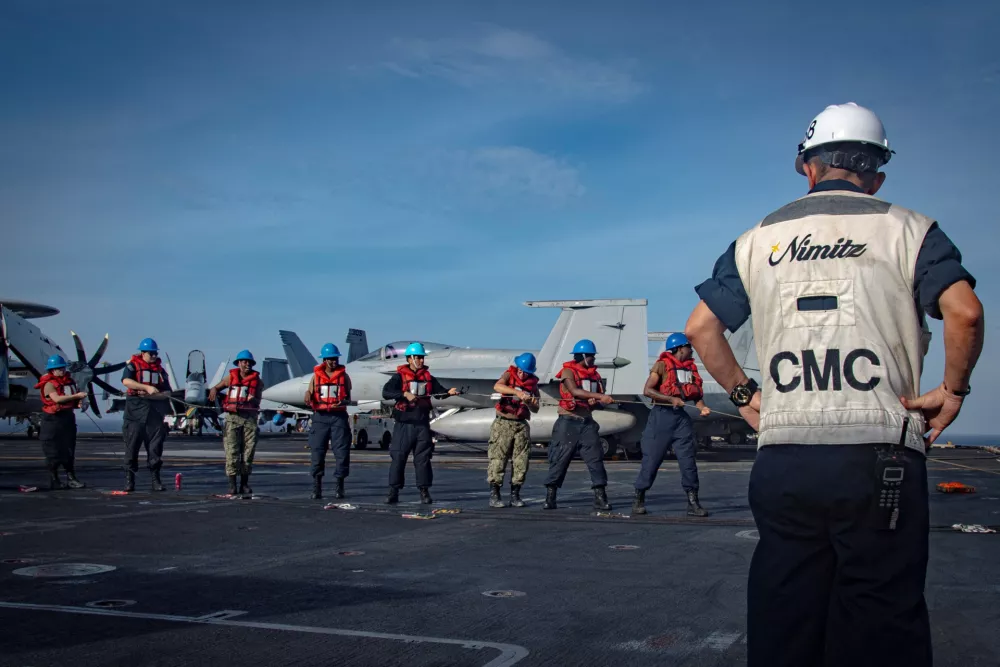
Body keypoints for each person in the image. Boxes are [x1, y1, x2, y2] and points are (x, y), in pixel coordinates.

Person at [684, 102, 983, 667]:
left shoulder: (754, 240)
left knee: (784, 611)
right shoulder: (912, 230)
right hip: (878, 456)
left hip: (785, 456)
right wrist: (954, 390)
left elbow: (701, 328)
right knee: (880, 615)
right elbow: (964, 312)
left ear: (806, 167)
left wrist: (748, 399)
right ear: (877, 175)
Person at [632, 333, 712, 517]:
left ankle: (693, 502)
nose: (692, 350)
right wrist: (670, 399)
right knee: (652, 460)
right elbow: (648, 390)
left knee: (688, 461)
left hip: (680, 420)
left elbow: (696, 396)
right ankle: (639, 498)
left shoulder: (690, 369)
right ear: (679, 348)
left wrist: (702, 407)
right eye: (689, 347)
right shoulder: (661, 366)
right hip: (661, 417)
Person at [381, 342, 460, 504]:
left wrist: (448, 393)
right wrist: (404, 394)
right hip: (404, 425)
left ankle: (424, 491)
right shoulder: (399, 377)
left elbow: (438, 393)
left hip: (422, 424)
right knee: (398, 458)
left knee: (423, 459)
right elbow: (386, 392)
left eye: (422, 357)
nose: (421, 360)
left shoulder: (428, 377)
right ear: (409, 359)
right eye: (418, 357)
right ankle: (393, 491)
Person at [542, 339, 615, 511]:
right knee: (559, 459)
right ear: (582, 356)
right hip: (568, 422)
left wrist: (598, 401)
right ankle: (550, 497)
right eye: (591, 356)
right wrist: (597, 397)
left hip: (587, 422)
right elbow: (574, 391)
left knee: (596, 459)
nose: (593, 359)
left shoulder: (595, 376)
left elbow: (597, 401)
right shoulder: (568, 371)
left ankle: (600, 497)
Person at [487, 352, 540, 508]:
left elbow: (536, 408)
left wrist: (530, 402)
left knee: (521, 461)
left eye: (526, 372)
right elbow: (497, 386)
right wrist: (517, 392)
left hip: (521, 424)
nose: (522, 374)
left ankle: (515, 494)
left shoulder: (533, 384)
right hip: (503, 423)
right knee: (498, 459)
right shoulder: (509, 375)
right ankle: (495, 494)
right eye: (521, 370)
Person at [121, 337, 173, 492]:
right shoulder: (132, 366)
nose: (153, 356)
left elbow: (167, 392)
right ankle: (130, 481)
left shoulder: (160, 371)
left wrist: (151, 395)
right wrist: (145, 387)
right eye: (150, 354)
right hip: (135, 415)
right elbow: (126, 381)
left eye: (155, 353)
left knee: (155, 450)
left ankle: (155, 480)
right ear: (142, 353)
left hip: (154, 416)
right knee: (132, 449)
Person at [208, 349, 263, 496]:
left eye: (249, 362)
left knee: (248, 453)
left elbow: (259, 401)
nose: (247, 364)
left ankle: (244, 484)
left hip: (249, 419)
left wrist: (253, 399)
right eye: (244, 362)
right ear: (238, 363)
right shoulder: (230, 378)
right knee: (231, 451)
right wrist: (213, 390)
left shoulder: (257, 381)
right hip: (232, 418)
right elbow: (218, 387)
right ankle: (232, 485)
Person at [304, 343, 353, 500]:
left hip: (339, 417)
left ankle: (340, 486)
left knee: (342, 452)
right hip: (320, 417)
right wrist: (307, 396)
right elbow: (309, 394)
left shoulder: (344, 377)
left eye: (335, 359)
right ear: (324, 360)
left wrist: (342, 403)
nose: (333, 362)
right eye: (330, 359)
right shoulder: (316, 377)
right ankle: (317, 487)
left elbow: (348, 398)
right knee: (317, 452)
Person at [34, 354, 88, 490]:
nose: (62, 371)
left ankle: (71, 478)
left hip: (67, 418)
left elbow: (70, 399)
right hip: (52, 420)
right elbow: (57, 399)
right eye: (58, 369)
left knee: (69, 449)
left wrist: (78, 402)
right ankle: (54, 479)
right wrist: (77, 396)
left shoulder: (70, 382)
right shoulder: (49, 384)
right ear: (52, 370)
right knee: (53, 451)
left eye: (63, 368)